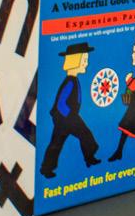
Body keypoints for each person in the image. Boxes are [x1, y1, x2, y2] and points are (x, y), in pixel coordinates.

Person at [41, 42, 100, 179]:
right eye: (84, 60)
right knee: (58, 143)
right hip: (65, 118)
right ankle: (46, 169)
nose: (86, 63)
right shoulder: (69, 81)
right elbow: (61, 103)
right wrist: (70, 117)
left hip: (70, 117)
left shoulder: (73, 80)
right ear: (75, 61)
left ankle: (89, 158)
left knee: (83, 135)